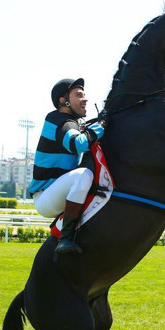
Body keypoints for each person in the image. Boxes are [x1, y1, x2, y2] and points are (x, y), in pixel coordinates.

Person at [29, 78, 105, 254]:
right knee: (83, 175)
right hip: (45, 197)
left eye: (84, 95)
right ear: (64, 100)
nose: (84, 99)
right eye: (79, 95)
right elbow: (78, 144)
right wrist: (102, 125)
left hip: (59, 192)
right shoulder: (57, 120)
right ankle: (66, 237)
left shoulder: (72, 123)